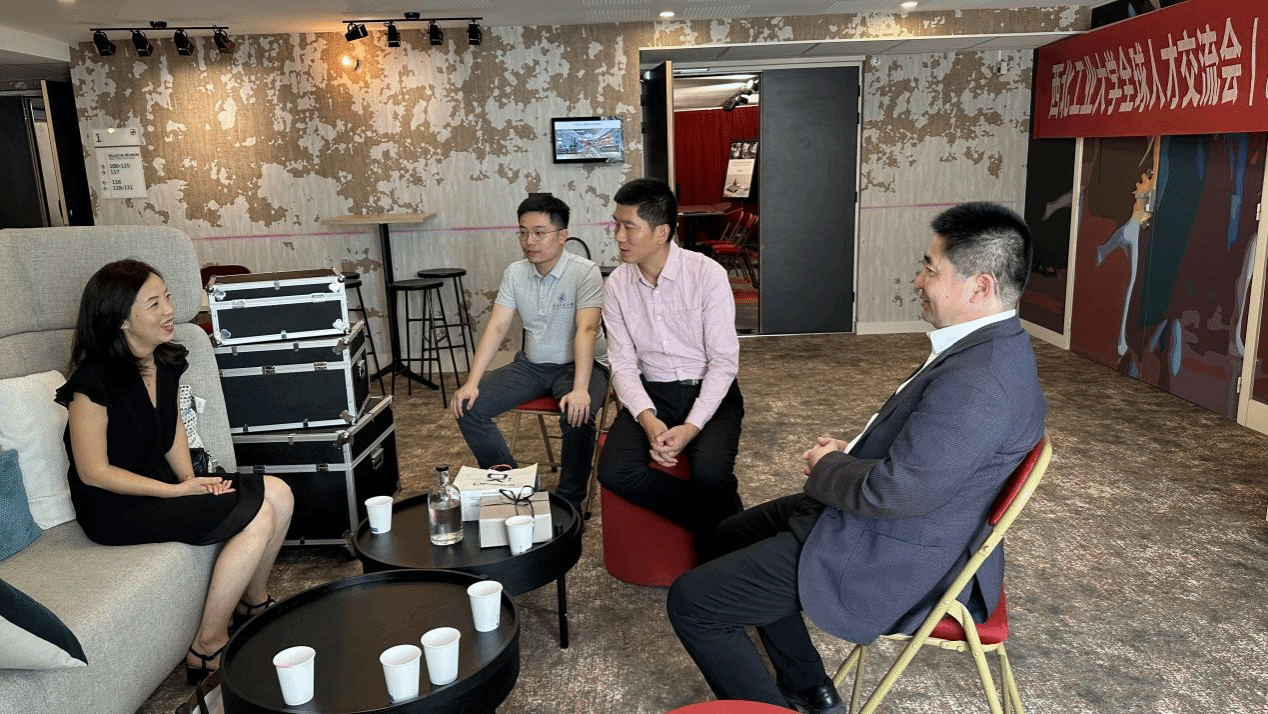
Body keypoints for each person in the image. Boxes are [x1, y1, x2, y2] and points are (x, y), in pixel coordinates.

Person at [666, 202, 1047, 713]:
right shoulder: (989, 348)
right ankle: (811, 689)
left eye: (931, 270)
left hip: (894, 549)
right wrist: (851, 455)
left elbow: (897, 492)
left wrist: (828, 466)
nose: (917, 280)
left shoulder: (980, 380)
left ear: (980, 287)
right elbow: (929, 460)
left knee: (692, 602)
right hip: (892, 517)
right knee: (725, 538)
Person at [54, 259, 294, 684]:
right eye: (153, 303)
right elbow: (93, 472)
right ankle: (207, 646)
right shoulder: (91, 384)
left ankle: (252, 603)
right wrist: (175, 493)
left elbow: (170, 430)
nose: (169, 309)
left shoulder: (164, 361)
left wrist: (189, 480)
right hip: (116, 507)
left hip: (164, 487)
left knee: (279, 493)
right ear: (121, 320)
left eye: (166, 296)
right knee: (258, 515)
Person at [598, 177, 744, 539]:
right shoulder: (617, 284)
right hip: (654, 392)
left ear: (661, 232)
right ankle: (730, 524)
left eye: (629, 227)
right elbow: (622, 363)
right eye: (616, 225)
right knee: (615, 471)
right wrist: (648, 420)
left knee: (710, 474)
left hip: (710, 391)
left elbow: (724, 362)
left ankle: (724, 535)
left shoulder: (706, 275)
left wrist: (691, 427)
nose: (618, 236)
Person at [450, 194, 609, 509]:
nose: (529, 241)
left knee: (577, 414)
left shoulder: (585, 271)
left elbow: (586, 329)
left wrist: (580, 389)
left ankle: (569, 502)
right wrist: (471, 382)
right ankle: (512, 485)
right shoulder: (515, 272)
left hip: (581, 365)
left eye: (539, 233)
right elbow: (497, 327)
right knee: (468, 406)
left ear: (562, 236)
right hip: (533, 366)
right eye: (523, 232)